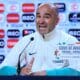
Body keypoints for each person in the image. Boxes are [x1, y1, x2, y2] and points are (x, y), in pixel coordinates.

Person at [0, 3, 79, 75]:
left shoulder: (70, 41)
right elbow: (3, 69)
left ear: (57, 21)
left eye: (46, 17)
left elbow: (77, 71)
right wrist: (19, 71)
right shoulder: (27, 40)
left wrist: (47, 74)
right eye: (38, 16)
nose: (41, 21)